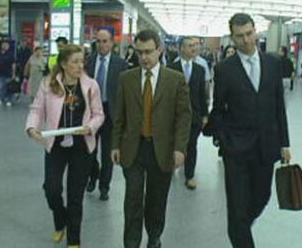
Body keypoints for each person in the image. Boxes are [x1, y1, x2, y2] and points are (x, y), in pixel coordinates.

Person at [210, 13, 291, 248]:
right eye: (239, 36)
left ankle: (240, 228)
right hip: (236, 149)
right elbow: (218, 110)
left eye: (249, 34)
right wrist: (224, 139)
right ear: (233, 38)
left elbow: (279, 107)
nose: (245, 40)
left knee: (261, 197)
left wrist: (284, 143)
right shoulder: (224, 69)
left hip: (266, 146)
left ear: (255, 31)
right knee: (236, 207)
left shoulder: (273, 63)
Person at [111, 29, 191, 248]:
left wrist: (180, 148)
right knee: (133, 200)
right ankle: (131, 243)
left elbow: (184, 117)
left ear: (159, 50)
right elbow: (119, 115)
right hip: (133, 149)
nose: (144, 57)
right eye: (139, 52)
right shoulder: (126, 78)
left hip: (162, 149)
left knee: (157, 200)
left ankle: (154, 236)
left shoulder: (175, 80)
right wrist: (115, 144)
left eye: (148, 52)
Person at [25, 44, 104, 248]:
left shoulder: (90, 85)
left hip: (81, 146)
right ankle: (60, 222)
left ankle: (74, 240)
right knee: (52, 189)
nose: (80, 66)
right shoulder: (48, 84)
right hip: (56, 145)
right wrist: (32, 127)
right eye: (75, 62)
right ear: (63, 64)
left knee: (75, 196)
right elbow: (36, 110)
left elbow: (99, 115)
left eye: (82, 61)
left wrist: (89, 127)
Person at [84, 28, 128, 200]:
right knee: (90, 151)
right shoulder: (89, 62)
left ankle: (104, 186)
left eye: (105, 41)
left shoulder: (120, 64)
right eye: (99, 41)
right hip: (92, 113)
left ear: (111, 43)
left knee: (107, 153)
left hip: (111, 113)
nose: (101, 45)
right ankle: (92, 175)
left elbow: (124, 92)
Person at [167, 36, 208, 190]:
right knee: (173, 143)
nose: (194, 48)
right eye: (190, 45)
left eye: (195, 45)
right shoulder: (171, 68)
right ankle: (171, 167)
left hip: (194, 115)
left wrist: (205, 115)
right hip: (174, 115)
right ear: (181, 48)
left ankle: (189, 176)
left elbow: (201, 95)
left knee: (192, 145)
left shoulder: (200, 69)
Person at [0, 40, 16, 107]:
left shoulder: (11, 54)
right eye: (3, 45)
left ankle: (8, 100)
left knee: (8, 87)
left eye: (6, 45)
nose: (5, 46)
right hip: (0, 73)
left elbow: (13, 64)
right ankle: (0, 99)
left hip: (8, 73)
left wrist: (13, 73)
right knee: (0, 87)